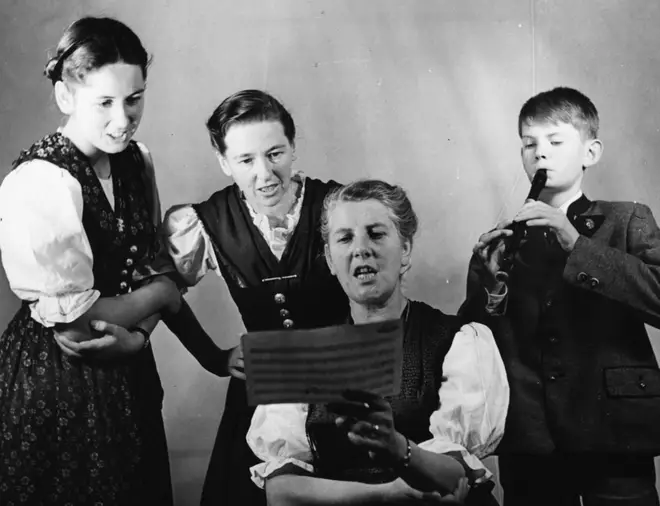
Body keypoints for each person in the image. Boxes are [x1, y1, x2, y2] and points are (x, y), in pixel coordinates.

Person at [0, 16, 185, 505]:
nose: (122, 119)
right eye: (104, 102)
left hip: (129, 366)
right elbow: (77, 320)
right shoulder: (41, 183)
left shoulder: (135, 161)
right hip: (57, 378)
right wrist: (161, 296)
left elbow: (149, 265)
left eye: (134, 98)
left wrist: (144, 333)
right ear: (65, 97)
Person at [246, 179, 509, 505]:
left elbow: (459, 479)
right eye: (345, 238)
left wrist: (399, 449)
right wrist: (388, 494)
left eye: (376, 233)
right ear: (330, 259)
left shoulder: (457, 341)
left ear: (405, 250)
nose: (360, 249)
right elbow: (281, 492)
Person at [460, 86, 660, 505]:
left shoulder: (626, 220)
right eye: (528, 144)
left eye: (555, 141)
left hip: (615, 432)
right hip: (531, 438)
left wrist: (577, 246)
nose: (540, 154)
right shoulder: (505, 241)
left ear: (591, 152)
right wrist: (492, 287)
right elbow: (475, 341)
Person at [162, 89, 350, 505]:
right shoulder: (206, 221)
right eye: (246, 161)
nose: (264, 174)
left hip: (343, 383)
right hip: (262, 393)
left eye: (275, 154)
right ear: (224, 163)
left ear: (293, 147)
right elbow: (162, 293)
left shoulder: (338, 205)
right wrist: (213, 357)